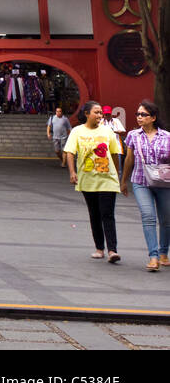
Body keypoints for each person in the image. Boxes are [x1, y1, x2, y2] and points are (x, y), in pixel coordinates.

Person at [63, 100, 123, 263]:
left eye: (100, 112)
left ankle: (112, 250)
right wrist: (72, 172)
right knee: (94, 214)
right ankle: (99, 248)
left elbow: (115, 153)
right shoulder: (77, 131)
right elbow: (69, 152)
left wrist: (117, 175)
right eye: (96, 112)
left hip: (107, 179)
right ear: (86, 114)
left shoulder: (107, 131)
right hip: (87, 179)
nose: (100, 115)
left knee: (107, 214)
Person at [119, 99, 170, 271]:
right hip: (140, 181)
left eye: (143, 114)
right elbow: (129, 159)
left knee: (166, 220)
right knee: (148, 216)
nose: (139, 117)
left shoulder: (167, 137)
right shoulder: (133, 136)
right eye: (138, 114)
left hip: (163, 183)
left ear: (153, 117)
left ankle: (164, 252)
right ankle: (153, 257)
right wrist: (123, 181)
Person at [101, 105, 127, 175]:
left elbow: (123, 132)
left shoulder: (116, 121)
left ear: (111, 113)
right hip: (103, 148)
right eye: (106, 114)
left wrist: (113, 131)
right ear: (103, 114)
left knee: (118, 169)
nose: (107, 116)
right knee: (104, 168)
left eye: (108, 114)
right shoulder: (100, 122)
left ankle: (118, 184)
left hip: (116, 147)